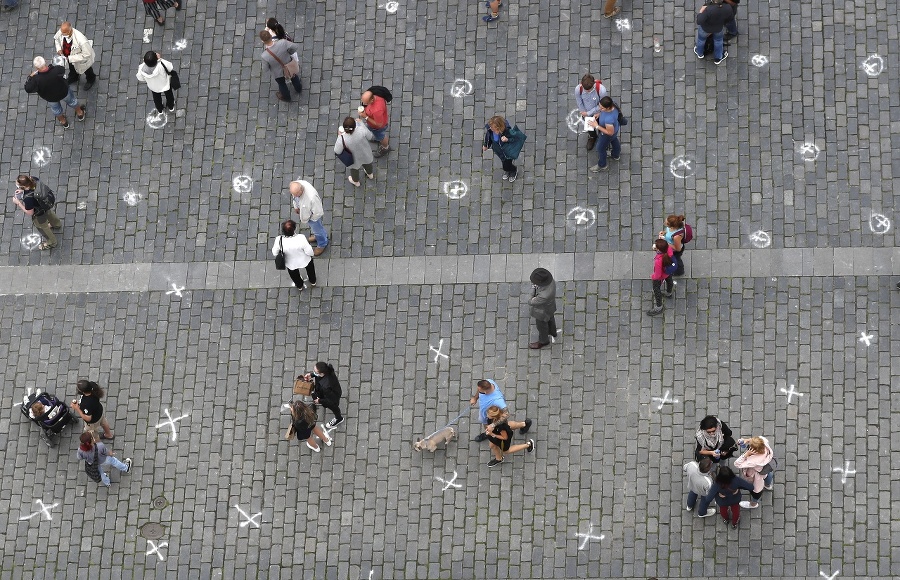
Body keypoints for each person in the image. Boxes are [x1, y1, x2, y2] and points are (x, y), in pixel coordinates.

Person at [24, 56, 86, 128]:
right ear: (45, 62)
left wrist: (30, 77)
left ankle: (63, 122)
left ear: (36, 68)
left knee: (56, 110)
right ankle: (80, 113)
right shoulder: (56, 70)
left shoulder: (35, 80)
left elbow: (27, 88)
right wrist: (51, 66)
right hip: (63, 92)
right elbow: (62, 69)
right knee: (72, 101)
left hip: (50, 98)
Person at [11, 174, 62, 251]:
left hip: (39, 213)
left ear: (23, 186)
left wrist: (18, 203)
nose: (17, 185)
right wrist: (23, 191)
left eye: (18, 184)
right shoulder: (34, 179)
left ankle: (52, 242)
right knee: (50, 214)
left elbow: (30, 212)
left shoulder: (28, 198)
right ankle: (57, 224)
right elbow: (32, 189)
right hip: (45, 205)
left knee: (43, 227)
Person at [272, 220, 316, 291]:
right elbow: (309, 251)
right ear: (294, 228)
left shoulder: (279, 240)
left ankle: (299, 286)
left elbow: (275, 253)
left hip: (291, 263)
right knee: (310, 270)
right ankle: (313, 281)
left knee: (294, 275)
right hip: (305, 260)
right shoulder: (301, 238)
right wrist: (311, 255)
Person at [259, 30, 302, 102]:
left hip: (278, 73)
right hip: (289, 66)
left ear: (262, 41)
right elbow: (295, 47)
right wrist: (289, 53)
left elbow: (265, 69)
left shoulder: (264, 56)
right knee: (294, 77)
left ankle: (287, 97)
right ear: (271, 36)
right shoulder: (283, 42)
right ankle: (298, 89)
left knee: (282, 84)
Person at [734, 436, 775, 509]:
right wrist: (747, 440)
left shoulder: (753, 460)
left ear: (754, 449)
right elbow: (760, 438)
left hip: (756, 475)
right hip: (765, 468)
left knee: (756, 490)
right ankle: (768, 485)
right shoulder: (764, 444)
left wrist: (745, 455)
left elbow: (737, 464)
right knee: (768, 475)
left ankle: (754, 503)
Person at [289, 180, 328, 256]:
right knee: (316, 230)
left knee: (317, 230)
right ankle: (319, 236)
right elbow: (295, 198)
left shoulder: (312, 197)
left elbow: (318, 212)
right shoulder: (296, 187)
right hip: (307, 213)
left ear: (301, 190)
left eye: (296, 194)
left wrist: (311, 219)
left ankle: (322, 244)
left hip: (313, 217)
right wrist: (296, 206)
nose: (294, 195)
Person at [54, 22, 97, 90]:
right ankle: (73, 77)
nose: (61, 34)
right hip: (68, 57)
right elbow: (57, 40)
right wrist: (59, 49)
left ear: (69, 30)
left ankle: (91, 79)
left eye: (64, 33)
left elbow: (86, 54)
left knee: (87, 70)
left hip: (81, 60)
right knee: (72, 68)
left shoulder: (81, 40)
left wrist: (71, 58)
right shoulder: (61, 31)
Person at [334, 117, 375, 187]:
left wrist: (339, 136)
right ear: (355, 126)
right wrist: (361, 123)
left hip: (354, 159)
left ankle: (356, 181)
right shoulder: (361, 130)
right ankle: (370, 174)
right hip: (365, 154)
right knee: (368, 164)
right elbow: (370, 136)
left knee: (354, 170)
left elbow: (337, 150)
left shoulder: (342, 138)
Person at [573, 74, 608, 151]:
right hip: (586, 113)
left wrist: (589, 113)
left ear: (594, 84)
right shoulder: (578, 89)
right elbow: (579, 102)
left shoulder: (601, 90)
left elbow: (602, 105)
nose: (587, 92)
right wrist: (583, 112)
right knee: (590, 128)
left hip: (599, 114)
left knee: (602, 127)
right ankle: (592, 137)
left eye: (589, 90)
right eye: (586, 90)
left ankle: (603, 139)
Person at [135, 51, 176, 117]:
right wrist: (160, 59)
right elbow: (170, 67)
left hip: (153, 86)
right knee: (169, 95)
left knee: (156, 98)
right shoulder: (161, 64)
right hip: (164, 84)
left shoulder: (141, 69)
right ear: (156, 58)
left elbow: (140, 78)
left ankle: (160, 110)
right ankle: (171, 107)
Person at [305, 362, 344, 429]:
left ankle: (339, 418)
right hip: (330, 391)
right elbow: (317, 375)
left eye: (315, 372)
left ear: (322, 373)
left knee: (334, 407)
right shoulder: (327, 371)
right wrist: (312, 375)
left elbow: (329, 400)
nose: (314, 372)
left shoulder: (326, 387)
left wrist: (319, 400)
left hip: (332, 397)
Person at [694, 0, 734, 65]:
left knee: (701, 40)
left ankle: (700, 53)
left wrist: (701, 11)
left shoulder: (708, 9)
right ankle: (718, 58)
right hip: (718, 29)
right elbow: (730, 19)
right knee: (718, 41)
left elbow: (699, 21)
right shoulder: (728, 8)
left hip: (705, 29)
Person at [588, 96, 621, 172]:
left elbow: (610, 133)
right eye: (599, 106)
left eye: (602, 108)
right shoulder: (613, 106)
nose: (600, 108)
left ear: (608, 108)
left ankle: (602, 165)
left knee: (600, 148)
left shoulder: (609, 120)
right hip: (615, 129)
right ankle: (615, 155)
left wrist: (596, 126)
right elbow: (603, 111)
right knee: (614, 140)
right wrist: (599, 114)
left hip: (607, 135)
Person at [482, 115, 518, 182]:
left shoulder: (507, 131)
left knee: (506, 165)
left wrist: (507, 140)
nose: (490, 129)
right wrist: (486, 145)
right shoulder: (491, 130)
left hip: (508, 152)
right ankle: (508, 169)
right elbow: (488, 137)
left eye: (492, 128)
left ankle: (513, 170)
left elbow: (515, 139)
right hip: (499, 151)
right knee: (504, 162)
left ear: (498, 128)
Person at [528, 267, 558, 350]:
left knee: (541, 326)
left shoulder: (544, 296)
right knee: (551, 319)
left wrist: (533, 288)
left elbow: (530, 301)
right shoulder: (550, 282)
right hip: (550, 307)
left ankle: (543, 341)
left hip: (542, 312)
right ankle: (553, 332)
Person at [359, 90, 391, 158]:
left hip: (377, 127)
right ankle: (377, 138)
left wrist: (366, 117)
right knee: (374, 133)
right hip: (371, 124)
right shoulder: (377, 96)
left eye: (366, 102)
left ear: (372, 100)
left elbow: (379, 124)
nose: (364, 103)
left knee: (381, 136)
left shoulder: (377, 110)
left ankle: (385, 147)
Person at [647, 239, 675, 316]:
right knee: (669, 281)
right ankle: (669, 293)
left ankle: (659, 307)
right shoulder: (668, 249)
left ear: (659, 250)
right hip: (668, 272)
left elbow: (658, 275)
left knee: (656, 289)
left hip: (661, 275)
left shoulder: (658, 261)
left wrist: (653, 276)